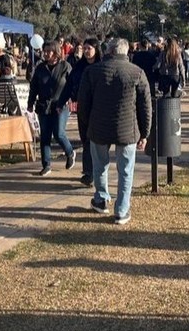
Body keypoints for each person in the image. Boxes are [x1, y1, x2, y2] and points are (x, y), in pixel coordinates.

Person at [78, 38, 151, 225]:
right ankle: (122, 210)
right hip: (127, 129)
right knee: (126, 170)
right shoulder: (137, 72)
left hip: (98, 127)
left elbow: (83, 104)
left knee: (99, 165)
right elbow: (145, 106)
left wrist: (85, 127)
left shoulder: (92, 71)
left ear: (109, 51)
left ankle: (101, 199)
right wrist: (145, 132)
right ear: (127, 52)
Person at [28, 41, 75, 177]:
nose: (47, 54)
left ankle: (70, 152)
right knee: (45, 136)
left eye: (50, 51)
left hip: (61, 105)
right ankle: (46, 165)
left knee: (59, 133)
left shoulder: (65, 66)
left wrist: (69, 100)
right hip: (44, 106)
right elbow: (34, 87)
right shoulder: (40, 68)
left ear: (56, 52)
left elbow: (72, 85)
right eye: (45, 51)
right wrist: (30, 103)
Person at [64, 37, 103, 186]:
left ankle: (94, 172)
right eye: (84, 49)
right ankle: (88, 172)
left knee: (95, 141)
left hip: (99, 109)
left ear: (96, 50)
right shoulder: (79, 67)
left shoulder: (102, 66)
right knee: (86, 140)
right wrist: (62, 102)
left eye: (89, 49)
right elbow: (69, 86)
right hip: (83, 109)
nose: (86, 52)